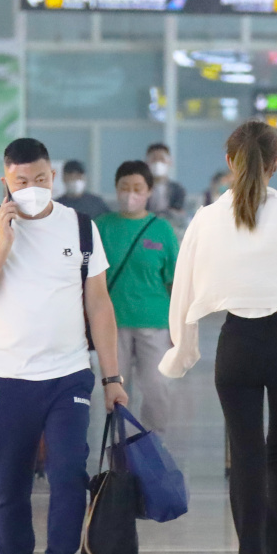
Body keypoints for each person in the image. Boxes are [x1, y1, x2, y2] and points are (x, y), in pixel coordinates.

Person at [162, 121, 277, 554]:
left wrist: (182, 350)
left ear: (229, 161)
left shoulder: (206, 217)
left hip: (237, 343)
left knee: (247, 455)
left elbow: (184, 287)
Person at [0, 138, 127, 554]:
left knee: (68, 474)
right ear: (5, 181)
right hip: (5, 378)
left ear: (53, 177)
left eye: (40, 179)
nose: (32, 188)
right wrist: (4, 242)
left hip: (67, 374)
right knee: (9, 482)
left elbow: (99, 304)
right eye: (21, 181)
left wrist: (112, 377)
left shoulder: (80, 226)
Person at [100, 160, 183, 435]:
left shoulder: (162, 230)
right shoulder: (101, 227)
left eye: (137, 188)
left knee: (157, 387)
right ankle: (119, 447)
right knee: (116, 390)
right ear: (116, 189)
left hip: (154, 323)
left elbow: (175, 283)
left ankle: (153, 443)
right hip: (112, 325)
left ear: (149, 191)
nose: (130, 194)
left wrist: (180, 327)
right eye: (125, 187)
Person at [145, 142, 188, 224]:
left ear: (170, 161)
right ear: (147, 162)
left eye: (162, 159)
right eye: (154, 159)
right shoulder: (141, 189)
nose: (158, 163)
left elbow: (179, 214)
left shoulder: (178, 190)